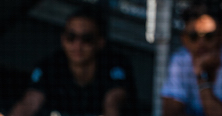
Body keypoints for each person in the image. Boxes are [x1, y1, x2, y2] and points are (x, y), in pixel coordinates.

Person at [8, 7, 137, 116]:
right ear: (63, 39)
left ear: (100, 42)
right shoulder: (51, 66)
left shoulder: (115, 64)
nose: (77, 45)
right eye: (71, 37)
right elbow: (29, 102)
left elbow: (112, 105)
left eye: (87, 39)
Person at [161, 3, 222, 116]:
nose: (201, 44)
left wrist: (201, 77)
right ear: (184, 39)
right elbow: (170, 112)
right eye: (193, 36)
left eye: (209, 36)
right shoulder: (179, 60)